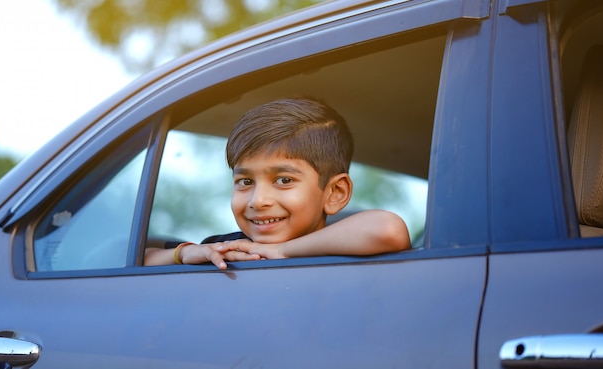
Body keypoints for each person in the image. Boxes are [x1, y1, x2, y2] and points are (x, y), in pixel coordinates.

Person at [144, 97, 410, 269]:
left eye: (284, 180)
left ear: (335, 193)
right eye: (245, 181)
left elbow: (388, 230)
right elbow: (140, 260)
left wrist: (281, 250)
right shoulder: (226, 249)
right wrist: (184, 253)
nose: (258, 200)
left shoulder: (342, 249)